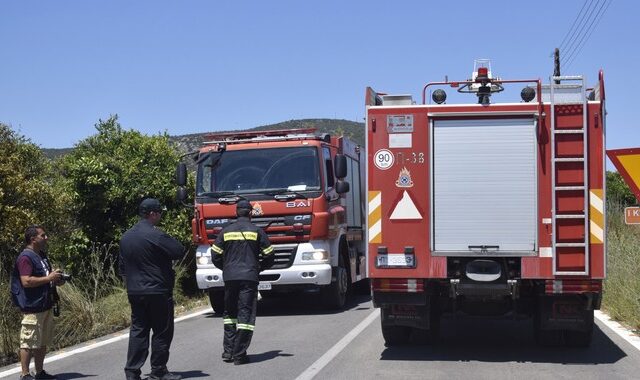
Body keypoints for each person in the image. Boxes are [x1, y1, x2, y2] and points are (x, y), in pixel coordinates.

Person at [119, 198, 185, 380]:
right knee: (162, 331)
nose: (160, 216)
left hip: (135, 291)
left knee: (138, 331)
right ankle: (159, 370)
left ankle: (132, 372)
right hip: (157, 291)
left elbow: (122, 268)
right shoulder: (156, 234)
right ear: (153, 214)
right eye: (160, 213)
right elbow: (179, 250)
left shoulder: (126, 237)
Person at [211, 199, 274, 365]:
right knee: (245, 315)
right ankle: (239, 355)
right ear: (251, 213)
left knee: (230, 314)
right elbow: (269, 255)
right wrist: (259, 268)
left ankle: (228, 351)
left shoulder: (225, 231)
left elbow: (215, 255)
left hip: (230, 277)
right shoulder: (257, 231)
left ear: (235, 212)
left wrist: (226, 268)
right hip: (249, 278)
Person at [10, 225, 64, 380]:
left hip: (45, 303)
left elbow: (47, 276)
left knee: (42, 340)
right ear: (33, 239)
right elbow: (26, 281)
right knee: (28, 340)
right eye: (43, 235)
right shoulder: (25, 258)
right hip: (32, 306)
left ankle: (40, 372)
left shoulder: (41, 255)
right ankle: (25, 374)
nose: (46, 238)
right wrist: (49, 278)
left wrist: (56, 279)